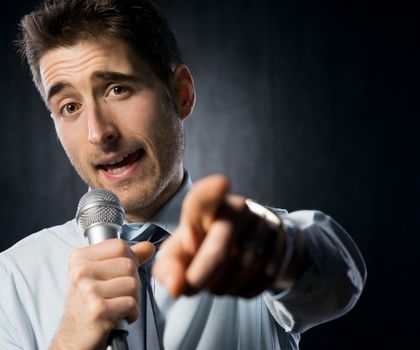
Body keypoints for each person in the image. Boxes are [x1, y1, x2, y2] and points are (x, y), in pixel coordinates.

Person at [0, 0, 366, 349]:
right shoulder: (12, 279)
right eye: (70, 106)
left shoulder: (248, 243)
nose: (98, 132)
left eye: (117, 89)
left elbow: (338, 278)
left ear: (181, 94)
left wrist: (280, 252)